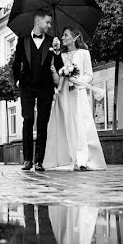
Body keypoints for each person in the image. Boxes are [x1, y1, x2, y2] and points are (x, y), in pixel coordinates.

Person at [43, 27, 107, 171]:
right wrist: (57, 72)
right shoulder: (61, 55)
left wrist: (76, 79)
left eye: (65, 35)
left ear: (75, 37)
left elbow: (89, 75)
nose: (63, 38)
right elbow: (57, 78)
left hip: (78, 93)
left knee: (80, 124)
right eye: (62, 35)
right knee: (66, 124)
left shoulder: (84, 53)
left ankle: (83, 159)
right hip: (64, 93)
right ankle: (67, 158)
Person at [11, 9, 64, 171]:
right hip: (26, 86)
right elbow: (16, 63)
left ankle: (39, 161)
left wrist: (57, 51)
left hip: (45, 87)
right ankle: (27, 160)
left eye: (49, 22)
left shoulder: (52, 41)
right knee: (27, 120)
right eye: (47, 22)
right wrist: (17, 80)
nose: (49, 25)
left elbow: (60, 66)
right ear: (38, 21)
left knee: (42, 123)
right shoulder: (23, 40)